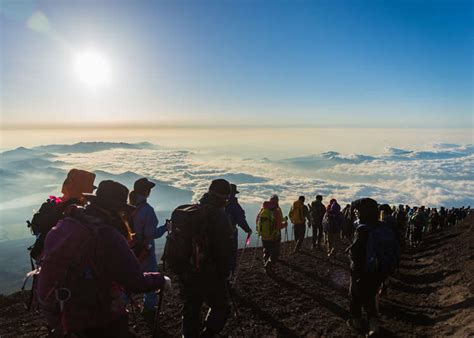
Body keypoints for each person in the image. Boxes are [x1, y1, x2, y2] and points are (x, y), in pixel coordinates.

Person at [37, 180, 170, 337]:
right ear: (115, 210)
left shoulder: (68, 223)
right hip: (95, 319)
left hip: (61, 311)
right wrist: (160, 280)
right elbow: (135, 281)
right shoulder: (107, 235)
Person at [177, 179, 234, 337]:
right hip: (209, 274)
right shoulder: (219, 217)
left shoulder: (193, 211)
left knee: (191, 310)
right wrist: (224, 273)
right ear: (223, 198)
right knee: (221, 307)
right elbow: (223, 250)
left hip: (187, 272)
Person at [347, 198, 398, 336]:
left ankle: (359, 323)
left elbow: (356, 255)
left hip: (361, 272)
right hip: (379, 270)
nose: (356, 213)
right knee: (370, 296)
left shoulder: (363, 230)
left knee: (356, 296)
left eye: (357, 210)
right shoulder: (382, 228)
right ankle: (373, 325)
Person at [27, 168, 96, 262]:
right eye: (91, 188)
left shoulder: (57, 205)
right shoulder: (75, 211)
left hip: (48, 262)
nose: (91, 191)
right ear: (83, 189)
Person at [129, 178, 168, 316]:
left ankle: (121, 305)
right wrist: (165, 228)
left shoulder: (128, 207)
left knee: (128, 275)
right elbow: (151, 234)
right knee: (151, 277)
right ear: (146, 191)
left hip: (130, 248)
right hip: (145, 250)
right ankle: (148, 307)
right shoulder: (147, 210)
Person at [225, 184, 253, 279]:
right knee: (231, 254)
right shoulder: (234, 205)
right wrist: (248, 230)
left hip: (212, 234)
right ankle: (230, 274)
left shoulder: (215, 203)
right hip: (230, 234)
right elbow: (241, 219)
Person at [256, 194, 287, 271]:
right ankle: (269, 265)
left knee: (266, 251)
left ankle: (265, 263)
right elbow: (278, 226)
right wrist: (285, 224)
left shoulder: (263, 210)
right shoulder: (276, 211)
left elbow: (257, 221)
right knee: (275, 253)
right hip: (274, 236)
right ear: (277, 201)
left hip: (264, 236)